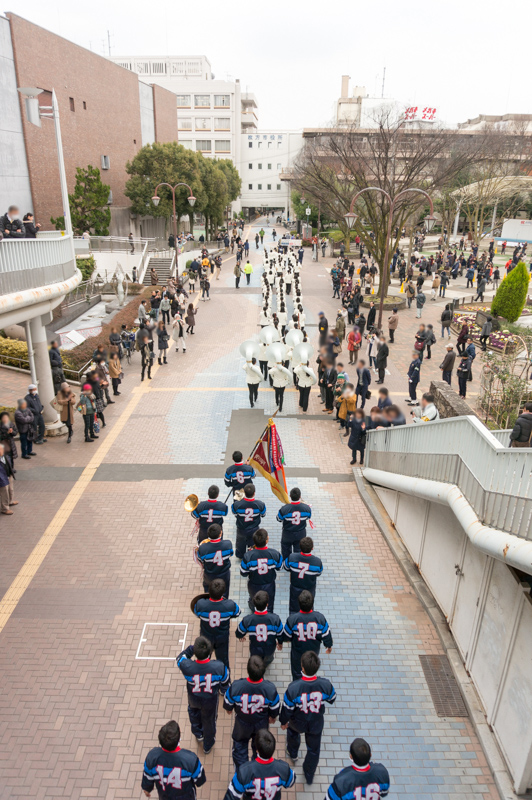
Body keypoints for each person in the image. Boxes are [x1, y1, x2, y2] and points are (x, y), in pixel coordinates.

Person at [280, 650, 336, 785]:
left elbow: (287, 709)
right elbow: (332, 698)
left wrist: (283, 721)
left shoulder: (293, 688)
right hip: (316, 722)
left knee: (293, 734)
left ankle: (293, 753)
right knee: (314, 750)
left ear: (302, 667)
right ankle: (309, 774)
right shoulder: (325, 685)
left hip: (297, 721)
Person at [224, 657, 280, 769]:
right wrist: (272, 716)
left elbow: (228, 705)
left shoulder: (236, 686)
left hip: (242, 724)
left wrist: (230, 709)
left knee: (239, 748)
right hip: (261, 724)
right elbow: (275, 708)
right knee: (260, 747)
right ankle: (256, 769)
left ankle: (242, 772)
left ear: (247, 670)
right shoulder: (270, 689)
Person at [176, 636, 230, 755]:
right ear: (210, 653)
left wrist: (192, 649)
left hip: (193, 699)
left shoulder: (187, 667)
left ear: (196, 653)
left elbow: (179, 658)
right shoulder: (219, 667)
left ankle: (198, 734)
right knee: (210, 722)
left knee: (194, 715)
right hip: (210, 700)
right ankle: (207, 745)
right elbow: (225, 683)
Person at [141, 719, 205, 799]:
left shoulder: (152, 757)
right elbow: (200, 780)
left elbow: (147, 778)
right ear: (179, 739)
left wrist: (147, 788)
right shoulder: (191, 760)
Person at [223, 728, 294, 800]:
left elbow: (231, 796)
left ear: (257, 750)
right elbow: (291, 782)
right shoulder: (283, 768)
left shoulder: (244, 772)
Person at [282, 590, 333, 681]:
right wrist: (328, 645)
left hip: (298, 652)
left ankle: (297, 684)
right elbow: (326, 635)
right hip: (313, 651)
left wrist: (282, 641)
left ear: (299, 604)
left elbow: (286, 636)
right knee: (311, 668)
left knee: (297, 671)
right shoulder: (320, 619)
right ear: (312, 604)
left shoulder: (292, 619)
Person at [192, 578, 240, 667]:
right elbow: (237, 613)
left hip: (206, 636)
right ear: (223, 593)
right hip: (222, 637)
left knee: (203, 658)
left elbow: (196, 612)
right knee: (223, 661)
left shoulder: (200, 604)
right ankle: (225, 675)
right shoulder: (230, 605)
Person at [326, 738, 390, 800]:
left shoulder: (340, 781)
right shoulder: (382, 772)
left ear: (351, 756)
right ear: (370, 755)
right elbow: (384, 793)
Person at [236, 590, 283, 669]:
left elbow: (239, 632)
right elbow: (280, 634)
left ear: (254, 604)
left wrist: (241, 636)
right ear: (267, 604)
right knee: (268, 659)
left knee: (256, 663)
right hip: (269, 648)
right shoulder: (275, 619)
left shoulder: (247, 620)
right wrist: (280, 642)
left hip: (255, 649)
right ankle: (266, 664)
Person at [240, 528, 282, 612]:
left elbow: (243, 572)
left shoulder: (248, 556)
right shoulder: (275, 554)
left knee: (254, 601)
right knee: (269, 602)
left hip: (254, 584)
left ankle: (254, 611)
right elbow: (279, 567)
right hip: (269, 584)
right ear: (267, 540)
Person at [284, 536, 323, 613]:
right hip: (309, 589)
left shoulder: (292, 557)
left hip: (295, 588)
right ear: (312, 548)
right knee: (308, 608)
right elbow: (319, 573)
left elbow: (286, 567)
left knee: (294, 609)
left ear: (300, 547)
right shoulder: (317, 562)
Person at [232, 484, 267, 560]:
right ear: (254, 493)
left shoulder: (236, 504)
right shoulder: (260, 504)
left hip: (241, 529)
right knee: (253, 543)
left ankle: (241, 556)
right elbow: (263, 514)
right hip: (254, 529)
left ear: (244, 492)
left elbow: (235, 514)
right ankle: (251, 556)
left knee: (240, 544)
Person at [276, 487, 312, 560]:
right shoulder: (306, 508)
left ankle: (287, 563)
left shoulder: (284, 509)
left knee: (286, 551)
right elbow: (308, 517)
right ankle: (296, 563)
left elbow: (278, 519)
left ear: (290, 496)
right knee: (299, 552)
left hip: (287, 533)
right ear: (300, 496)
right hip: (301, 533)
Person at [197, 523, 234, 594]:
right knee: (224, 591)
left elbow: (200, 559)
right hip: (224, 573)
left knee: (208, 591)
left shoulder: (203, 548)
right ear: (220, 534)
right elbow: (231, 554)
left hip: (210, 574)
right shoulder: (228, 544)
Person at [0, 440, 17, 515]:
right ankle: (5, 508)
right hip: (2, 478)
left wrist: (11, 474)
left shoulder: (6, 456)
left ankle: (11, 501)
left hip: (8, 474)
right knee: (4, 492)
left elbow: (9, 465)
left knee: (10, 489)